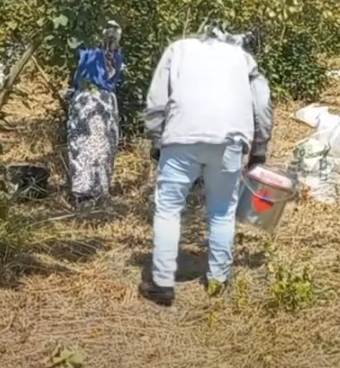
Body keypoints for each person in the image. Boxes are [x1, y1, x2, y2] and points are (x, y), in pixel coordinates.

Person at [140, 25, 273, 306]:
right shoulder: (241, 57)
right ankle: (217, 280)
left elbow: (156, 99)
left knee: (169, 209)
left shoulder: (178, 50)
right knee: (222, 211)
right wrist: (259, 148)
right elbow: (261, 103)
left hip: (181, 138)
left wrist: (156, 138)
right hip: (229, 140)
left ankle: (162, 283)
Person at [65, 21, 124, 208]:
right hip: (106, 103)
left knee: (81, 145)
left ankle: (83, 193)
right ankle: (99, 191)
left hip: (85, 100)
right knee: (103, 147)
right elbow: (115, 79)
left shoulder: (87, 53)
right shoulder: (116, 56)